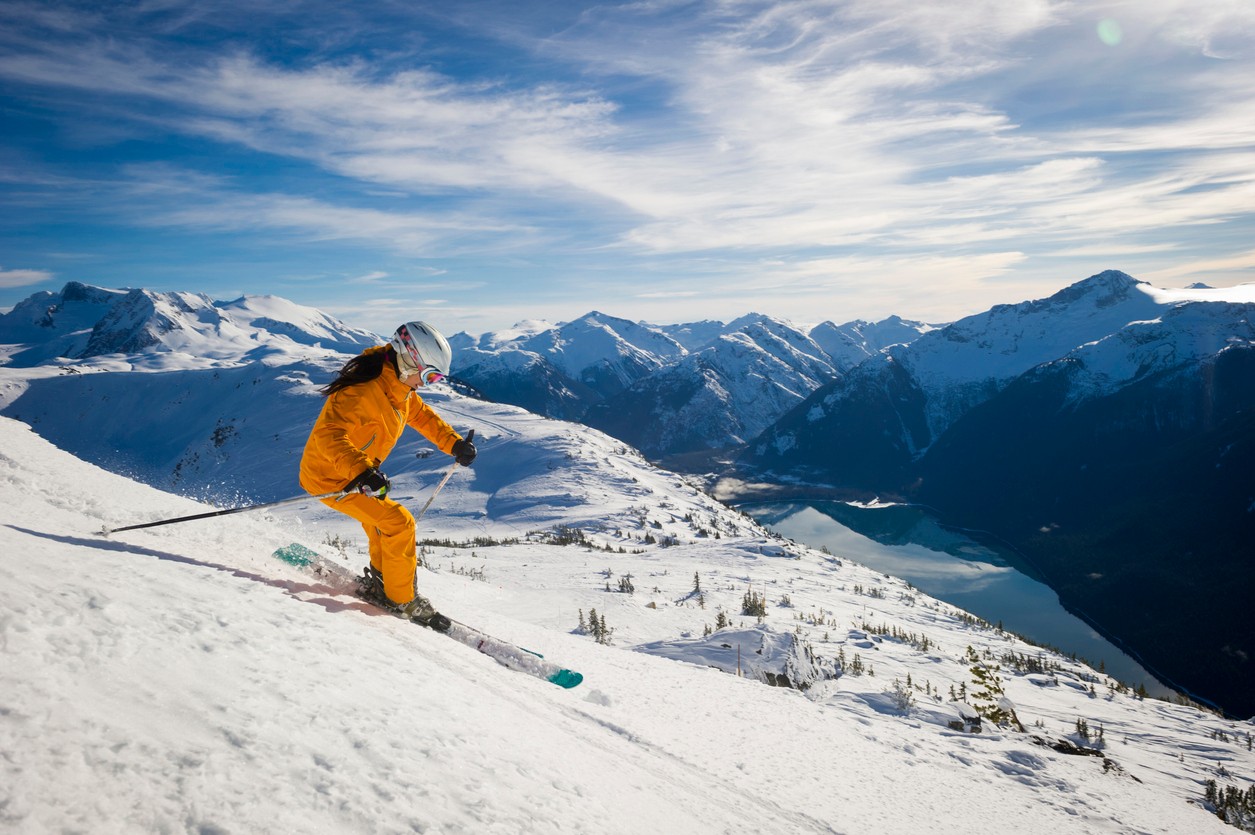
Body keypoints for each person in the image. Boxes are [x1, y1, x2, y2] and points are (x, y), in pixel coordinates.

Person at [299, 321, 477, 631]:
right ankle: (402, 600)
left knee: (383, 525)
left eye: (435, 378)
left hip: (358, 474)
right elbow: (328, 436)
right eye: (429, 375)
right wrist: (361, 471)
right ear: (409, 359)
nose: (428, 383)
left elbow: (420, 415)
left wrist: (454, 443)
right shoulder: (362, 391)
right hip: (331, 477)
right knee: (400, 522)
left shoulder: (398, 386)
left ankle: (384, 583)